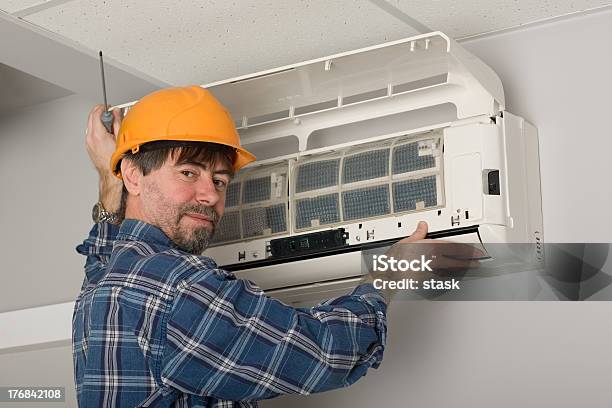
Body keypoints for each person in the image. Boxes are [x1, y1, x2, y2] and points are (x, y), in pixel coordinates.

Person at [73, 86, 434, 407]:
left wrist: (110, 177)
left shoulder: (107, 287)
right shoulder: (177, 286)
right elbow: (324, 352)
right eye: (188, 173)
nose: (211, 194)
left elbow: (101, 260)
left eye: (219, 180)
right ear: (134, 176)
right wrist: (390, 275)